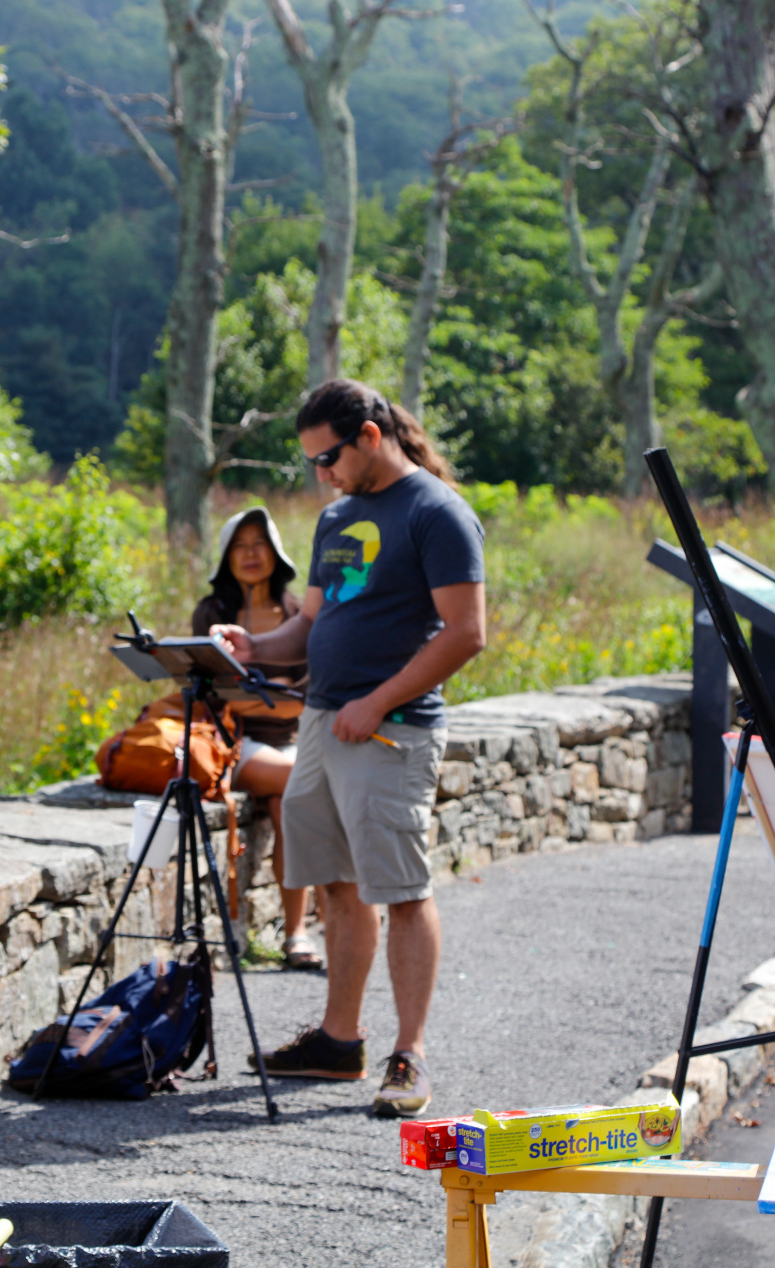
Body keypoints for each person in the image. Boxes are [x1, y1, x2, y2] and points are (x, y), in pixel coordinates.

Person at [210, 379, 485, 1119]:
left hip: (389, 730)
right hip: (324, 726)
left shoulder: (438, 513)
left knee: (400, 887)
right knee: (335, 881)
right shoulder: (338, 516)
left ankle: (411, 1053)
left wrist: (378, 700)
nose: (320, 473)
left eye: (327, 456)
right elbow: (308, 627)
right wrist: (254, 646)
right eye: (310, 462)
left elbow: (466, 631)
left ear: (369, 436)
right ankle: (339, 1040)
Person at [189, 506, 321, 971]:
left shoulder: (296, 613)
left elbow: (308, 698)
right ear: (226, 556)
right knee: (306, 782)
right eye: (239, 545)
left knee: (293, 805)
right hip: (234, 746)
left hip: (292, 741)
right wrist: (270, 700)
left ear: (275, 552)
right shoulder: (213, 614)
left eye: (258, 543)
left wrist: (249, 697)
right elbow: (209, 698)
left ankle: (296, 933)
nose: (250, 553)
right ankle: (333, 904)